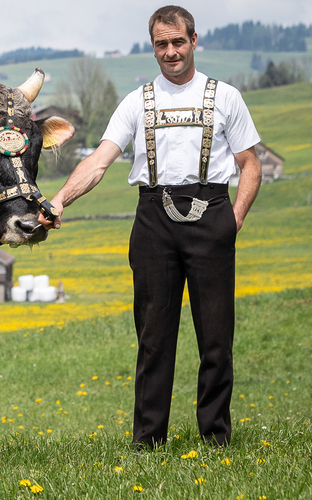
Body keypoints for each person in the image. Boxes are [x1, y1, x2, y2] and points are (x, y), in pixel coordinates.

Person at [39, 5, 262, 448]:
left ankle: (215, 438)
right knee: (154, 338)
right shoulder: (137, 101)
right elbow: (99, 161)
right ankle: (148, 441)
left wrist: (231, 221)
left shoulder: (226, 97)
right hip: (153, 219)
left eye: (178, 42)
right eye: (162, 44)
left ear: (194, 41)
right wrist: (60, 198)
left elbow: (249, 164)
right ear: (152, 47)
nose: (171, 51)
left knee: (216, 337)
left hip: (212, 211)